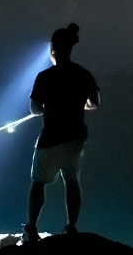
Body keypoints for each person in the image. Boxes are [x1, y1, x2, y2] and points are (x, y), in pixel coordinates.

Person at [22, 23, 100, 243]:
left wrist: (49, 105)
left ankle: (31, 229)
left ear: (53, 49)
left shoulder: (44, 77)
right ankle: (71, 226)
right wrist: (78, 104)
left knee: (38, 183)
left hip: (51, 138)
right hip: (76, 137)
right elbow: (94, 103)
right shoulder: (83, 74)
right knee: (72, 180)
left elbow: (35, 109)